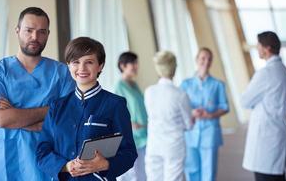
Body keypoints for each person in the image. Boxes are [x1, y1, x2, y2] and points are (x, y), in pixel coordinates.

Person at [36, 37, 137, 181]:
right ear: (69, 65)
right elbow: (42, 151)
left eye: (89, 62)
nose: (81, 68)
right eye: (76, 62)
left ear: (100, 66)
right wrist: (66, 166)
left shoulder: (115, 104)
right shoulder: (57, 106)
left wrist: (105, 164)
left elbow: (129, 153)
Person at [0, 7, 74, 181]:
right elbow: (1, 119)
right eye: (29, 30)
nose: (35, 37)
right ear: (17, 31)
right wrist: (51, 110)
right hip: (8, 161)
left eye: (41, 32)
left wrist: (16, 116)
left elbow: (68, 119)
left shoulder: (61, 73)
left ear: (48, 34)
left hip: (50, 161)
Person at [242, 31, 286, 181]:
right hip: (277, 133)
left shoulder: (265, 73)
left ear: (267, 48)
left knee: (266, 177)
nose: (257, 48)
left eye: (259, 45)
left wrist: (257, 101)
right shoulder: (284, 71)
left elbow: (245, 101)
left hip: (266, 138)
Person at [180, 47, 229, 181]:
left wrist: (210, 115)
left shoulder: (218, 84)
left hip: (210, 133)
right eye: (203, 58)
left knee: (209, 171)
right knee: (191, 169)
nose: (206, 61)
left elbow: (225, 107)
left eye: (209, 59)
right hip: (190, 133)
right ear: (197, 60)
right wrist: (191, 112)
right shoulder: (186, 84)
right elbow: (179, 107)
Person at [144, 50, 193, 181]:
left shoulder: (149, 92)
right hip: (174, 146)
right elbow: (189, 124)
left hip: (154, 143)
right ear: (174, 69)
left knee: (154, 178)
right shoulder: (180, 94)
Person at [115, 52, 147, 181]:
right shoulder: (119, 86)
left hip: (145, 134)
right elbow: (118, 112)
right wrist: (130, 124)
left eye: (136, 63)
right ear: (123, 66)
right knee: (135, 175)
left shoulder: (134, 85)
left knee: (144, 173)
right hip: (133, 137)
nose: (136, 66)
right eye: (132, 63)